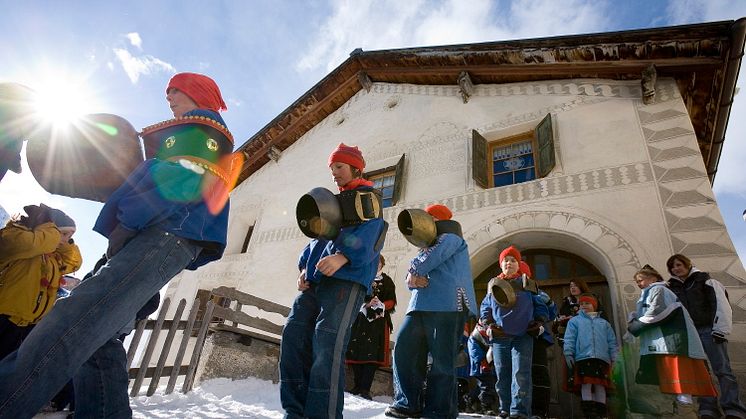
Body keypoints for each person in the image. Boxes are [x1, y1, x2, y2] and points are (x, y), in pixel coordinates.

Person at [0, 72, 233, 418]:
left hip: (162, 233)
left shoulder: (200, 128)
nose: (168, 97)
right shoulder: (190, 131)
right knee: (100, 338)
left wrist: (129, 221)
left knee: (74, 318)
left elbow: (176, 180)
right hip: (160, 234)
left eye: (175, 91)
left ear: (197, 92)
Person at [280, 143, 386, 419]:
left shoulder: (367, 197)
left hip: (346, 280)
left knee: (327, 345)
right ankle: (295, 411)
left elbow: (373, 234)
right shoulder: (332, 201)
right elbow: (317, 239)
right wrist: (303, 269)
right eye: (332, 168)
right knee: (293, 338)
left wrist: (344, 257)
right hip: (314, 283)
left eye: (339, 167)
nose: (334, 173)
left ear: (356, 167)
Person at [385, 204, 478, 419]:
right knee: (404, 350)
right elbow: (413, 279)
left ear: (436, 220)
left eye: (428, 218)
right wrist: (413, 277)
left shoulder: (451, 237)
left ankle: (440, 411)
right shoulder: (429, 246)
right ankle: (408, 404)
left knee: (442, 360)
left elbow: (428, 262)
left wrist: (413, 273)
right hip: (420, 306)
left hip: (447, 304)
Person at [626, 264, 716, 418]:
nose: (639, 284)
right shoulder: (649, 293)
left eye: (641, 280)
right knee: (675, 382)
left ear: (653, 278)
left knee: (681, 382)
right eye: (637, 282)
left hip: (673, 344)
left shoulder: (658, 290)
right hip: (665, 344)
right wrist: (635, 317)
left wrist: (635, 326)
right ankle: (681, 412)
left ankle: (686, 414)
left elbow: (657, 312)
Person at [666, 254, 746, 419]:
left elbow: (721, 305)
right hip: (690, 334)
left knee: (723, 370)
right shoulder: (672, 288)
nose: (676, 269)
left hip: (709, 330)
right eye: (672, 267)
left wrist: (720, 330)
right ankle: (708, 409)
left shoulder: (705, 282)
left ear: (687, 265)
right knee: (701, 373)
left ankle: (733, 408)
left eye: (678, 265)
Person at [0, 204, 82, 361]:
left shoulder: (52, 256)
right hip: (4, 317)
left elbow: (74, 263)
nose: (65, 241)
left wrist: (64, 243)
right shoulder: (17, 234)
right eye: (64, 234)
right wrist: (51, 232)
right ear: (48, 228)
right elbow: (26, 245)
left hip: (25, 325)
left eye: (69, 237)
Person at [479, 246, 549, 419]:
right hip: (500, 336)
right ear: (501, 265)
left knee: (521, 373)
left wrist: (539, 321)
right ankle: (505, 409)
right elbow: (485, 307)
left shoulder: (527, 283)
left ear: (519, 265)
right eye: (505, 260)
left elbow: (540, 305)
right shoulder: (493, 284)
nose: (508, 263)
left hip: (523, 335)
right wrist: (488, 324)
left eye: (513, 260)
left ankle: (519, 411)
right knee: (502, 374)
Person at [345, 254, 397, 400]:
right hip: (360, 320)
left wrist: (380, 304)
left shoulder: (387, 281)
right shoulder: (363, 277)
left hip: (378, 323)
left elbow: (392, 301)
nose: (377, 265)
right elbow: (354, 294)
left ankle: (365, 389)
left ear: (382, 264)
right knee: (357, 352)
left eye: (379, 262)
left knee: (372, 356)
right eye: (374, 262)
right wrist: (366, 304)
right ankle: (356, 386)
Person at [563, 293, 617, 419]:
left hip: (601, 358)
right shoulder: (575, 321)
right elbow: (570, 338)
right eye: (581, 304)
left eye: (587, 303)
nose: (584, 306)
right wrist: (568, 352)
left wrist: (615, 358)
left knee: (600, 385)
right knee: (586, 384)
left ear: (594, 305)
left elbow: (612, 342)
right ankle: (590, 414)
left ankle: (601, 414)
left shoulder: (604, 323)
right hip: (583, 357)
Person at [523, 261, 557, 419]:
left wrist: (539, 318)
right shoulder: (504, 290)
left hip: (536, 337)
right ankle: (521, 410)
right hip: (515, 338)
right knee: (520, 374)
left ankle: (539, 411)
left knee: (538, 372)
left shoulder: (538, 293)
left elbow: (551, 313)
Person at [467, 318, 499, 415]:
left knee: (483, 385)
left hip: (488, 365)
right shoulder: (475, 337)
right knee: (486, 386)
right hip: (481, 366)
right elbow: (475, 354)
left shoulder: (488, 334)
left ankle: (469, 400)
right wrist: (483, 363)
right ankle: (486, 407)